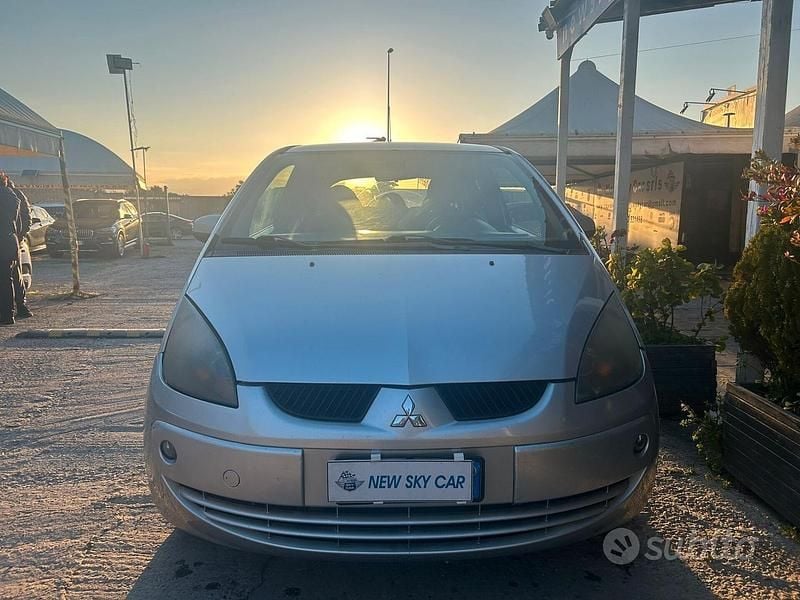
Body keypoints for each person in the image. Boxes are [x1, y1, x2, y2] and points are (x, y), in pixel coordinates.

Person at [7, 178, 32, 318]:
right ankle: (21, 306)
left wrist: (20, 235)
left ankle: (20, 305)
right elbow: (27, 217)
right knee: (15, 274)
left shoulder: (15, 195)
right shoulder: (16, 195)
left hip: (13, 239)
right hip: (14, 239)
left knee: (14, 274)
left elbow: (26, 218)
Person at [0, 173, 20, 325]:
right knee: (7, 279)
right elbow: (18, 224)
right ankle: (8, 314)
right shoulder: (13, 197)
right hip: (9, 241)